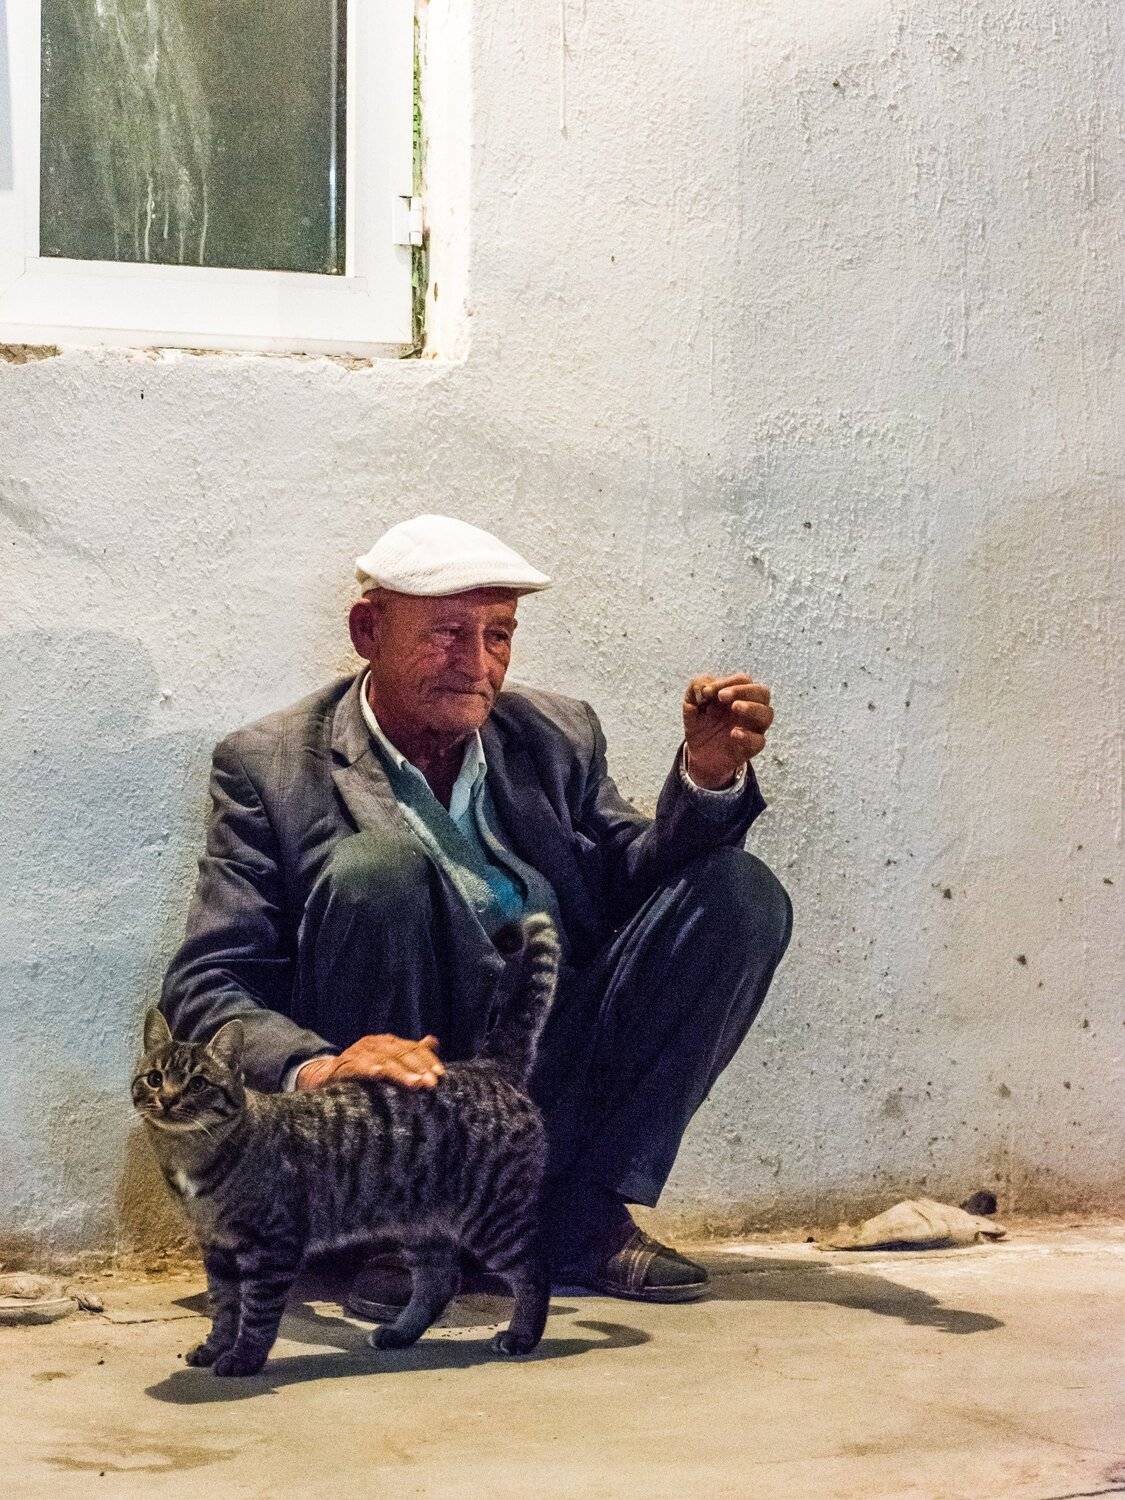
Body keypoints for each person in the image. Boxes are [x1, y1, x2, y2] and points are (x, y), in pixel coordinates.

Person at [161, 515, 791, 1311]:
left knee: (736, 894)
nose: (476, 663)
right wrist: (318, 1067)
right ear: (367, 632)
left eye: (498, 635)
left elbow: (631, 882)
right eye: (446, 634)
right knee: (375, 872)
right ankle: (392, 1227)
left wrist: (706, 778)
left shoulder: (554, 733)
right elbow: (209, 983)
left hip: (530, 1065)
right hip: (389, 1092)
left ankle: (576, 1210)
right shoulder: (270, 764)